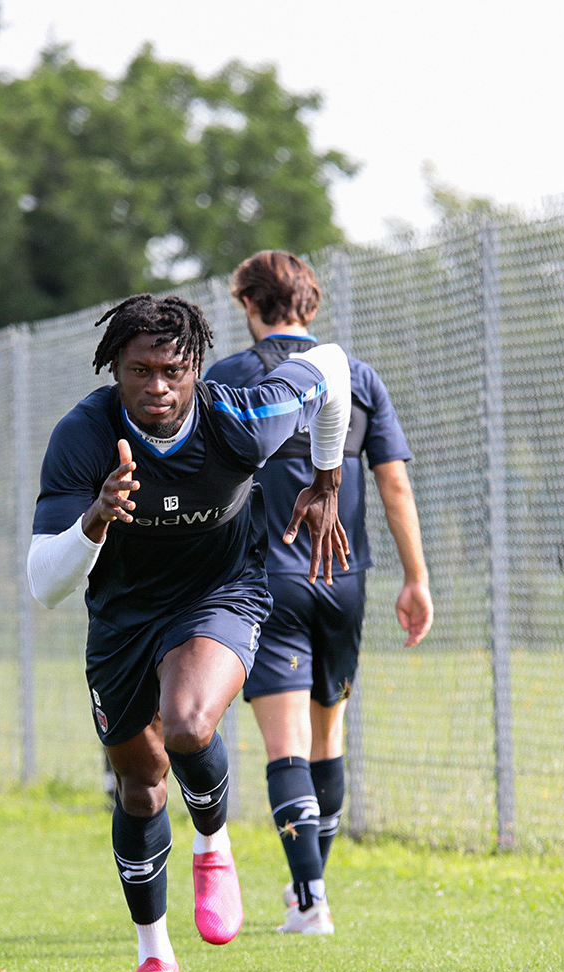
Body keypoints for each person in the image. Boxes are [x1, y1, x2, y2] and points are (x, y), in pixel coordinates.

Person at [29, 294, 353, 972]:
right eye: (139, 370)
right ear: (114, 368)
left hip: (220, 594)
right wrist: (95, 518)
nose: (157, 387)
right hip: (120, 618)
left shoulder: (240, 419)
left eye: (172, 369)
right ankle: (154, 960)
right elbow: (44, 585)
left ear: (197, 367)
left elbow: (331, 367)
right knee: (140, 787)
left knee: (187, 725)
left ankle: (214, 842)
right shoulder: (82, 437)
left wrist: (326, 476)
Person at [203, 250, 432, 934]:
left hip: (268, 581)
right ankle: (312, 890)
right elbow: (394, 483)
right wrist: (416, 577)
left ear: (248, 305)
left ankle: (309, 900)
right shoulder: (358, 378)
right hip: (344, 578)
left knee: (286, 746)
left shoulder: (231, 379)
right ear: (312, 305)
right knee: (328, 736)